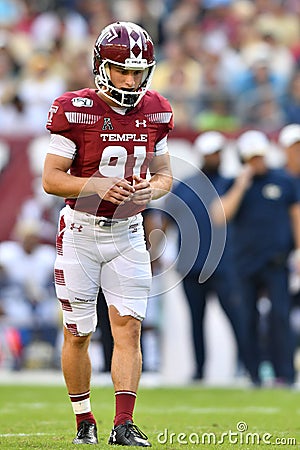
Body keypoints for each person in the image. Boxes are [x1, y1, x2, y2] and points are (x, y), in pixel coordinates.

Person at [42, 21, 173, 446]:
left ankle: (123, 424)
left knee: (128, 328)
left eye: (139, 72)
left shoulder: (155, 109)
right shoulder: (74, 108)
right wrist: (95, 184)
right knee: (78, 331)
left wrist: (150, 188)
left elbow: (164, 174)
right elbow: (51, 179)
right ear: (101, 66)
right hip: (80, 232)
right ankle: (84, 421)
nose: (132, 80)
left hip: (129, 232)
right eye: (122, 70)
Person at [211, 129, 300, 386]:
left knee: (279, 317)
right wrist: (241, 184)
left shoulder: (283, 181)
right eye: (251, 158)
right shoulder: (233, 182)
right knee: (246, 318)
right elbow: (219, 216)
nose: (257, 162)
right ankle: (253, 373)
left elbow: (296, 216)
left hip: (276, 261)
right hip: (244, 263)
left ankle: (285, 372)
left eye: (259, 157)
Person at [162, 131, 245, 381]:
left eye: (217, 153)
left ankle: (245, 364)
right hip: (191, 265)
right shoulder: (184, 186)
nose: (214, 157)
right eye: (210, 153)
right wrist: (154, 250)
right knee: (195, 321)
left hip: (225, 264)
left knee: (237, 317)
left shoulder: (231, 183)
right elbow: (166, 221)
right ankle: (199, 369)